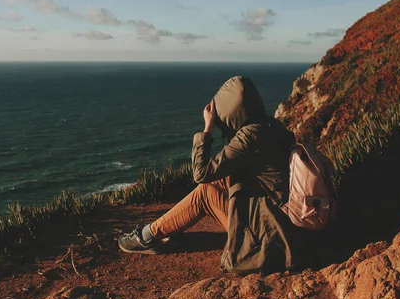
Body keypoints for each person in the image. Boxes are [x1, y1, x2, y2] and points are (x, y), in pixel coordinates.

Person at [118, 76, 299, 274]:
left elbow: (201, 173)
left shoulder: (249, 136)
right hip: (283, 221)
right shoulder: (272, 126)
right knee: (222, 178)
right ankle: (170, 227)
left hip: (270, 235)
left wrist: (207, 129)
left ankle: (147, 237)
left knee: (205, 192)